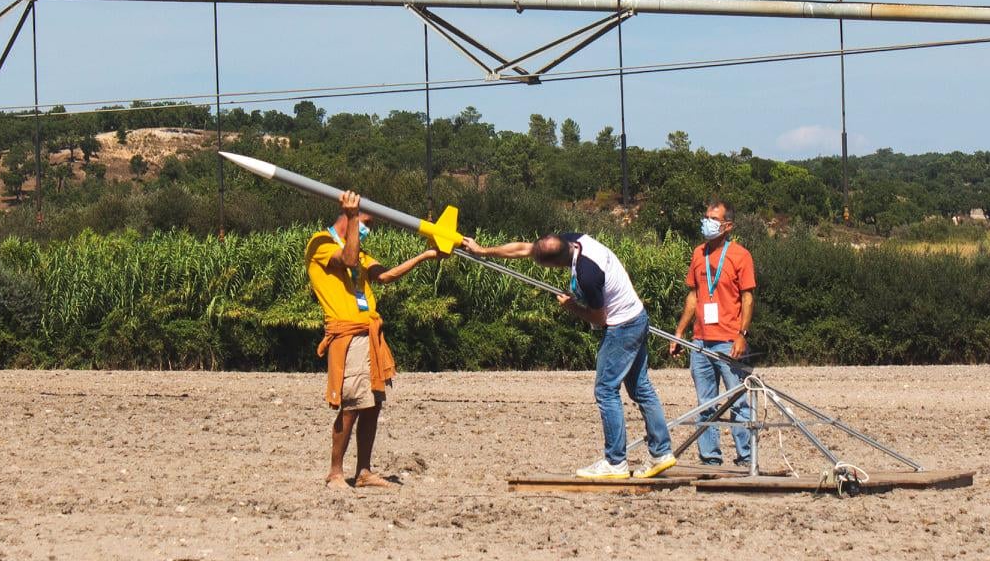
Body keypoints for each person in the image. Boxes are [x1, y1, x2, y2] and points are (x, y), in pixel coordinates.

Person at [461, 230, 675, 480]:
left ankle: (615, 462)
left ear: (554, 263)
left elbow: (599, 317)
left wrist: (572, 307)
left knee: (606, 390)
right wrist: (482, 250)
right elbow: (522, 248)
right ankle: (661, 453)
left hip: (621, 326)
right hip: (636, 316)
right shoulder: (575, 239)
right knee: (640, 387)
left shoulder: (587, 274)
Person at [306, 189, 441, 488]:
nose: (368, 229)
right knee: (353, 403)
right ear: (347, 216)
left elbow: (385, 275)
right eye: (365, 221)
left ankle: (364, 472)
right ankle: (335, 473)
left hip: (370, 334)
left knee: (373, 403)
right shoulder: (321, 243)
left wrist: (427, 255)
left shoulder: (361, 251)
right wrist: (355, 217)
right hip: (347, 334)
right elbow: (349, 258)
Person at [668, 199, 757, 467]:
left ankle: (745, 458)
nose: (706, 222)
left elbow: (748, 298)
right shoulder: (699, 254)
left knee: (739, 402)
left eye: (713, 219)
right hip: (700, 342)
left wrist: (742, 334)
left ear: (727, 226)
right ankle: (710, 459)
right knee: (705, 403)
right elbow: (693, 296)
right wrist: (680, 332)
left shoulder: (741, 255)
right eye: (705, 217)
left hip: (730, 341)